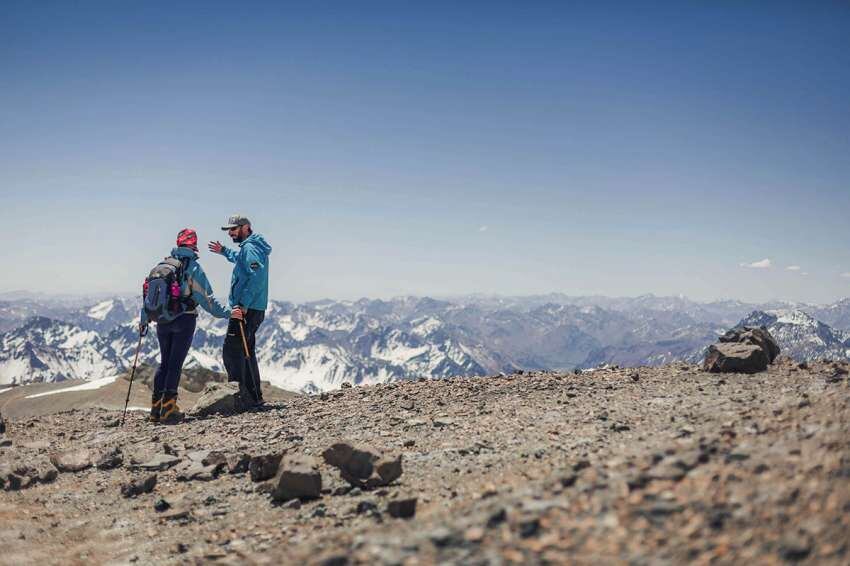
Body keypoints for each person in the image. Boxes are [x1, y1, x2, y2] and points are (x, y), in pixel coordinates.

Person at [140, 228, 230, 424]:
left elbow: (149, 296)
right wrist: (228, 312)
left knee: (164, 363)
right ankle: (169, 409)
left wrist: (143, 320)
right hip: (184, 320)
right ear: (193, 245)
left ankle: (155, 409)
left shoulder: (161, 266)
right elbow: (207, 300)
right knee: (175, 364)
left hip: (162, 321)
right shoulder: (192, 268)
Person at [208, 214, 272, 408]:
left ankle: (239, 398)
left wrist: (242, 304)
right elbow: (240, 260)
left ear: (246, 227)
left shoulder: (250, 248)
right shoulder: (249, 248)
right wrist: (224, 251)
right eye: (229, 230)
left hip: (246, 309)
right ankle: (253, 396)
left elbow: (256, 277)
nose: (230, 233)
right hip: (252, 307)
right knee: (246, 351)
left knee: (232, 351)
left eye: (233, 229)